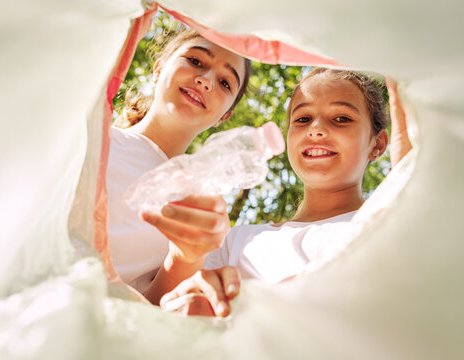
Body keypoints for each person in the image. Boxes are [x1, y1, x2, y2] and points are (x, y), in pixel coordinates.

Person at [156, 68, 413, 316]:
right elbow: (160, 312)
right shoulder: (235, 240)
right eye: (302, 119)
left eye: (341, 118)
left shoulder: (389, 223)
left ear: (377, 144)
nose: (316, 129)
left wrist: (415, 187)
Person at [106, 28, 251, 297]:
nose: (206, 80)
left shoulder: (199, 209)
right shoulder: (94, 134)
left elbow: (154, 307)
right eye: (196, 61)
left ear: (225, 116)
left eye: (225, 83)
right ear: (159, 68)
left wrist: (186, 258)